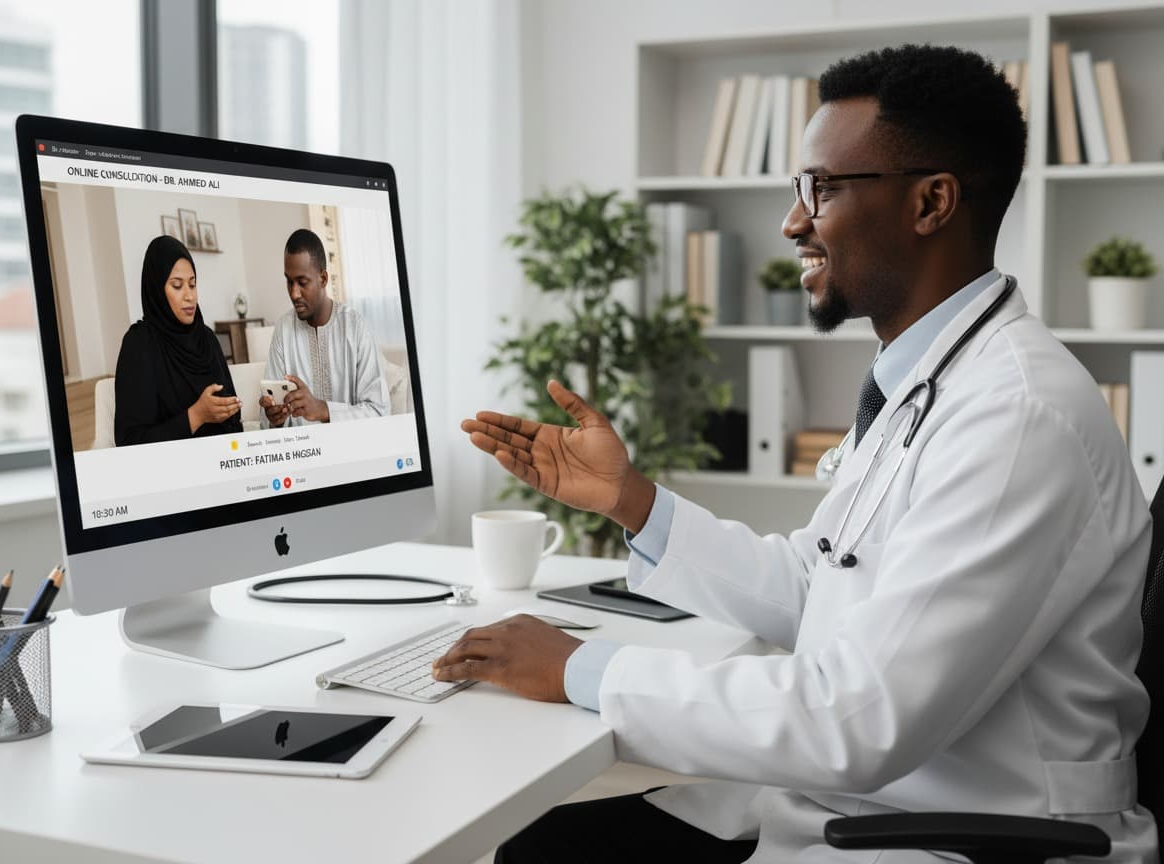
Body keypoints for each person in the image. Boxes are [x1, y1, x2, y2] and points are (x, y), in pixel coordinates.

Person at [433, 45, 1158, 862]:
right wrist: (632, 502)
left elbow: (860, 718)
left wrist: (580, 668)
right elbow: (826, 584)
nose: (792, 221)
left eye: (822, 188)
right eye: (796, 190)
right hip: (871, 798)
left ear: (931, 202)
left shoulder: (1018, 417)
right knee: (544, 843)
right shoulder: (934, 379)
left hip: (965, 832)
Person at [114, 235, 242, 446]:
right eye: (176, 286)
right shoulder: (139, 344)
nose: (189, 296)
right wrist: (196, 416)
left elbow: (233, 415)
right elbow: (129, 442)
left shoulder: (207, 338)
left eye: (192, 285)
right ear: (157, 289)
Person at [260, 228, 389, 426]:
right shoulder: (283, 329)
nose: (294, 293)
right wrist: (274, 418)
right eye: (289, 281)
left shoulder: (355, 327)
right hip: (303, 452)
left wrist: (323, 409)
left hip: (350, 449)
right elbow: (268, 415)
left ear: (323, 279)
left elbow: (379, 411)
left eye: (302, 282)